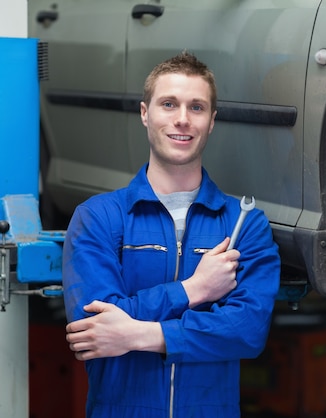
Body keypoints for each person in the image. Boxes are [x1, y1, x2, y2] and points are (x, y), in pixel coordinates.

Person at [62, 51, 280, 417]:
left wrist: (138, 334)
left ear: (212, 121)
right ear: (145, 113)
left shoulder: (245, 224)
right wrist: (193, 290)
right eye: (169, 104)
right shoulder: (98, 217)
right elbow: (93, 327)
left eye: (196, 107)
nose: (182, 119)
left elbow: (247, 330)